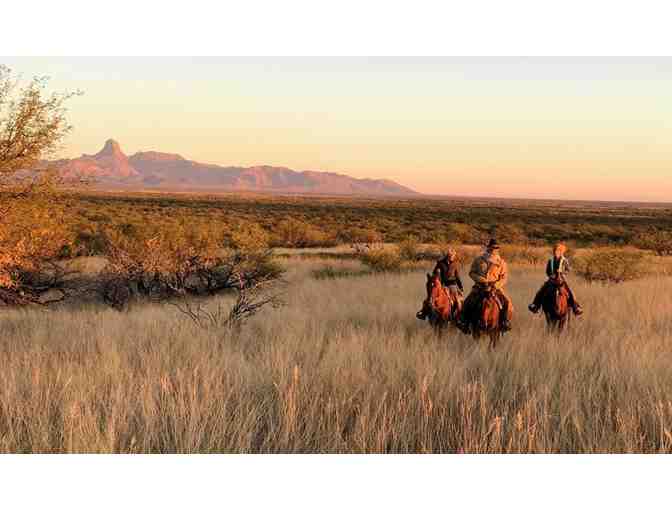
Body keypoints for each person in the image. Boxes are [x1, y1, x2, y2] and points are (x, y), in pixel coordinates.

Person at [457, 239, 513, 332]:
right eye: (493, 247)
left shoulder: (502, 262)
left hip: (495, 288)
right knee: (467, 302)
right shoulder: (479, 259)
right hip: (480, 287)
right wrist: (482, 280)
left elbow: (504, 277)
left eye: (496, 248)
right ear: (489, 247)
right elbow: (472, 273)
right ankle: (464, 322)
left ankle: (505, 322)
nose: (495, 249)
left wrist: (496, 285)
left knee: (508, 303)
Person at [528, 242, 583, 315]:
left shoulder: (564, 260)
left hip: (561, 279)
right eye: (555, 250)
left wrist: (562, 272)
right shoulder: (550, 260)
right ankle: (535, 305)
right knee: (541, 290)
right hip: (552, 279)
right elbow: (547, 271)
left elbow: (568, 270)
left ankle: (576, 307)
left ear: (561, 252)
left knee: (570, 290)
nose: (556, 252)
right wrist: (551, 275)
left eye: (558, 250)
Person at [416, 247, 464, 320]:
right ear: (448, 256)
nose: (453, 257)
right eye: (452, 256)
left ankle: (459, 317)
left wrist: (460, 287)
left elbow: (457, 277)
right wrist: (437, 277)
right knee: (430, 298)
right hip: (442, 283)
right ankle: (423, 313)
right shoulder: (440, 263)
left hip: (452, 285)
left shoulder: (455, 264)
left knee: (458, 301)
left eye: (453, 256)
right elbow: (434, 273)